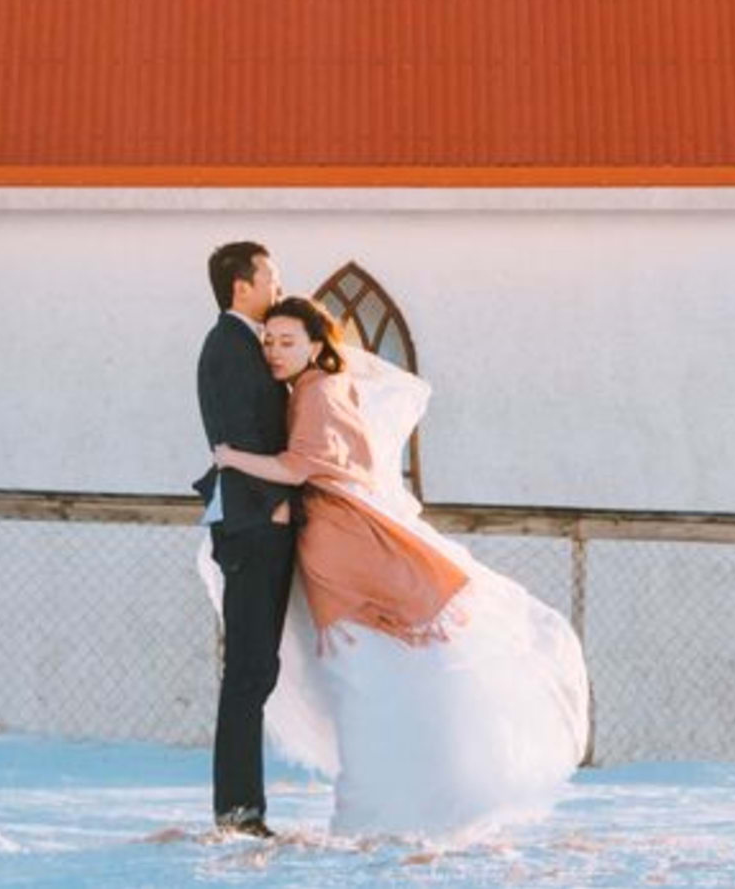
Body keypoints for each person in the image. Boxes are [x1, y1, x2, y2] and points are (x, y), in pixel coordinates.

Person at [206, 295, 589, 839]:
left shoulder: (317, 392)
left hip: (347, 544)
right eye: (269, 341)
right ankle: (383, 805)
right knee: (363, 677)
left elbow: (298, 466)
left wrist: (231, 457)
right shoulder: (315, 388)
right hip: (336, 540)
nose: (274, 351)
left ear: (316, 346)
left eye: (287, 342)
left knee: (359, 677)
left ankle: (370, 811)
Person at [191, 241, 293, 836]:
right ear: (241, 286)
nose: (278, 286)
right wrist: (277, 504)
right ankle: (237, 809)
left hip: (262, 523)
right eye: (270, 277)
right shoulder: (228, 348)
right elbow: (239, 436)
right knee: (248, 671)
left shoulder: (245, 345)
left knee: (258, 669)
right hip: (255, 526)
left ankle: (242, 806)